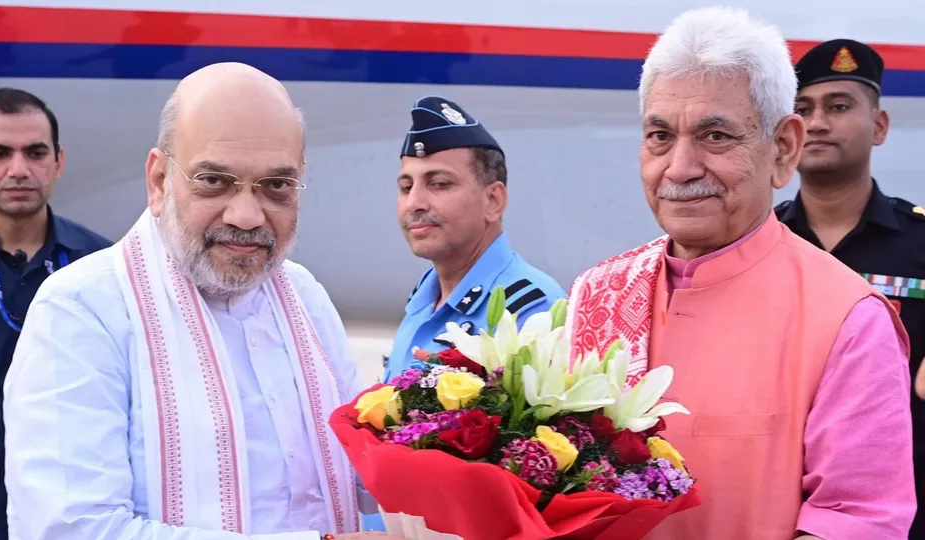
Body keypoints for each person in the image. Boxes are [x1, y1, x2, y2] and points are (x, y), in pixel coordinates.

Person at [2, 63, 400, 540]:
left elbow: (363, 473)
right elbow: (71, 529)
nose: (248, 215)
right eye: (214, 180)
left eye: (277, 186)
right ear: (158, 181)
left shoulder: (305, 297)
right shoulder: (83, 311)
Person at [563, 7, 915, 539]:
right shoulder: (599, 295)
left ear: (783, 148)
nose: (679, 168)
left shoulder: (847, 319)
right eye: (660, 135)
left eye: (715, 137)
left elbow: (857, 521)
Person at [776, 38, 925, 539]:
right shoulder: (756, 245)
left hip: (908, 503)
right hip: (775, 498)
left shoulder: (922, 242)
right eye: (803, 110)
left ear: (878, 126)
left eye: (838, 107)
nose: (817, 122)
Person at [0, 87, 111, 539]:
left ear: (58, 161)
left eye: (35, 152)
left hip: (78, 516)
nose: (19, 170)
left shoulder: (102, 267)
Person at [384, 95, 566, 381]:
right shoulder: (425, 296)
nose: (414, 203)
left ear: (493, 200)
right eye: (406, 187)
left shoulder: (530, 312)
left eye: (439, 184)